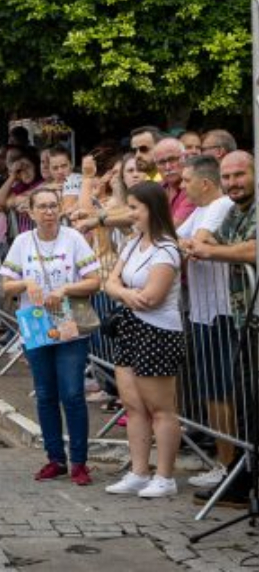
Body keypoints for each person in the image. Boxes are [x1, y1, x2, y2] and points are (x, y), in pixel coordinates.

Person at [0, 187, 101, 486]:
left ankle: (80, 462)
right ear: (30, 213)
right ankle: (55, 458)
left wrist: (66, 289)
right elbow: (6, 285)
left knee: (72, 393)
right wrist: (26, 282)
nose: (48, 212)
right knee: (45, 395)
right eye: (41, 207)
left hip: (70, 324)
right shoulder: (22, 242)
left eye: (53, 206)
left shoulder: (73, 239)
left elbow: (95, 281)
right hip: (36, 325)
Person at [103, 181, 184, 499]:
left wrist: (122, 292)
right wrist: (125, 293)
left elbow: (151, 298)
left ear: (153, 209)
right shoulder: (133, 242)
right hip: (131, 326)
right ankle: (139, 471)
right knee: (133, 404)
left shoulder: (167, 249)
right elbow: (110, 280)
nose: (130, 213)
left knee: (160, 407)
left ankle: (165, 475)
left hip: (158, 332)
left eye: (135, 207)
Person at [187, 150, 257, 509]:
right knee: (246, 403)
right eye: (227, 177)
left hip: (252, 318)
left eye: (240, 175)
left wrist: (219, 252)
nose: (232, 183)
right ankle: (243, 479)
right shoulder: (234, 211)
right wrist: (220, 248)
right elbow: (214, 240)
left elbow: (251, 250)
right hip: (244, 319)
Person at [175, 154, 238, 490]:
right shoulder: (199, 209)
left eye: (186, 181)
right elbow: (173, 238)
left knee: (221, 390)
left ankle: (228, 463)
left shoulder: (219, 205)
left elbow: (195, 242)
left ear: (205, 182)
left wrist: (190, 245)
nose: (182, 188)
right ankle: (222, 460)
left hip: (221, 312)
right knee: (211, 389)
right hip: (201, 311)